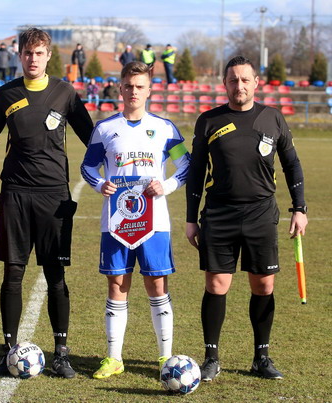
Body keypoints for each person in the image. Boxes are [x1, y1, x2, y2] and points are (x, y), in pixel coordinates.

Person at [185, 55, 308, 382]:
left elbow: (292, 165)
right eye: (232, 80)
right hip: (219, 213)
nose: (238, 85)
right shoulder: (209, 120)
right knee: (216, 284)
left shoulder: (273, 118)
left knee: (264, 285)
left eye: (244, 80)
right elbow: (196, 172)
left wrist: (300, 208)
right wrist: (191, 218)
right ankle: (211, 358)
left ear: (255, 82)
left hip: (261, 214)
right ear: (224, 84)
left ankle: (261, 357)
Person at [0, 27, 94, 379]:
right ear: (20, 55)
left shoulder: (65, 92)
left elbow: (92, 137)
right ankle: (8, 350)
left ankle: (61, 353)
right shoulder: (7, 93)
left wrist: (124, 166)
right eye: (27, 53)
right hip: (15, 193)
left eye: (39, 53)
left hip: (54, 196)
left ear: (48, 56)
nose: (33, 59)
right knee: (13, 273)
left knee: (55, 275)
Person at [81, 61, 190, 379]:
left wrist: (167, 185)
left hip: (155, 221)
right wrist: (100, 184)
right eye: (128, 85)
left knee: (157, 283)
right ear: (120, 88)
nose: (133, 91)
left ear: (149, 90)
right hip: (117, 220)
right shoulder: (104, 129)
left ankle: (165, 357)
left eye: (140, 86)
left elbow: (186, 164)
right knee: (117, 283)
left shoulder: (166, 128)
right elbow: (88, 167)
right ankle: (114, 358)